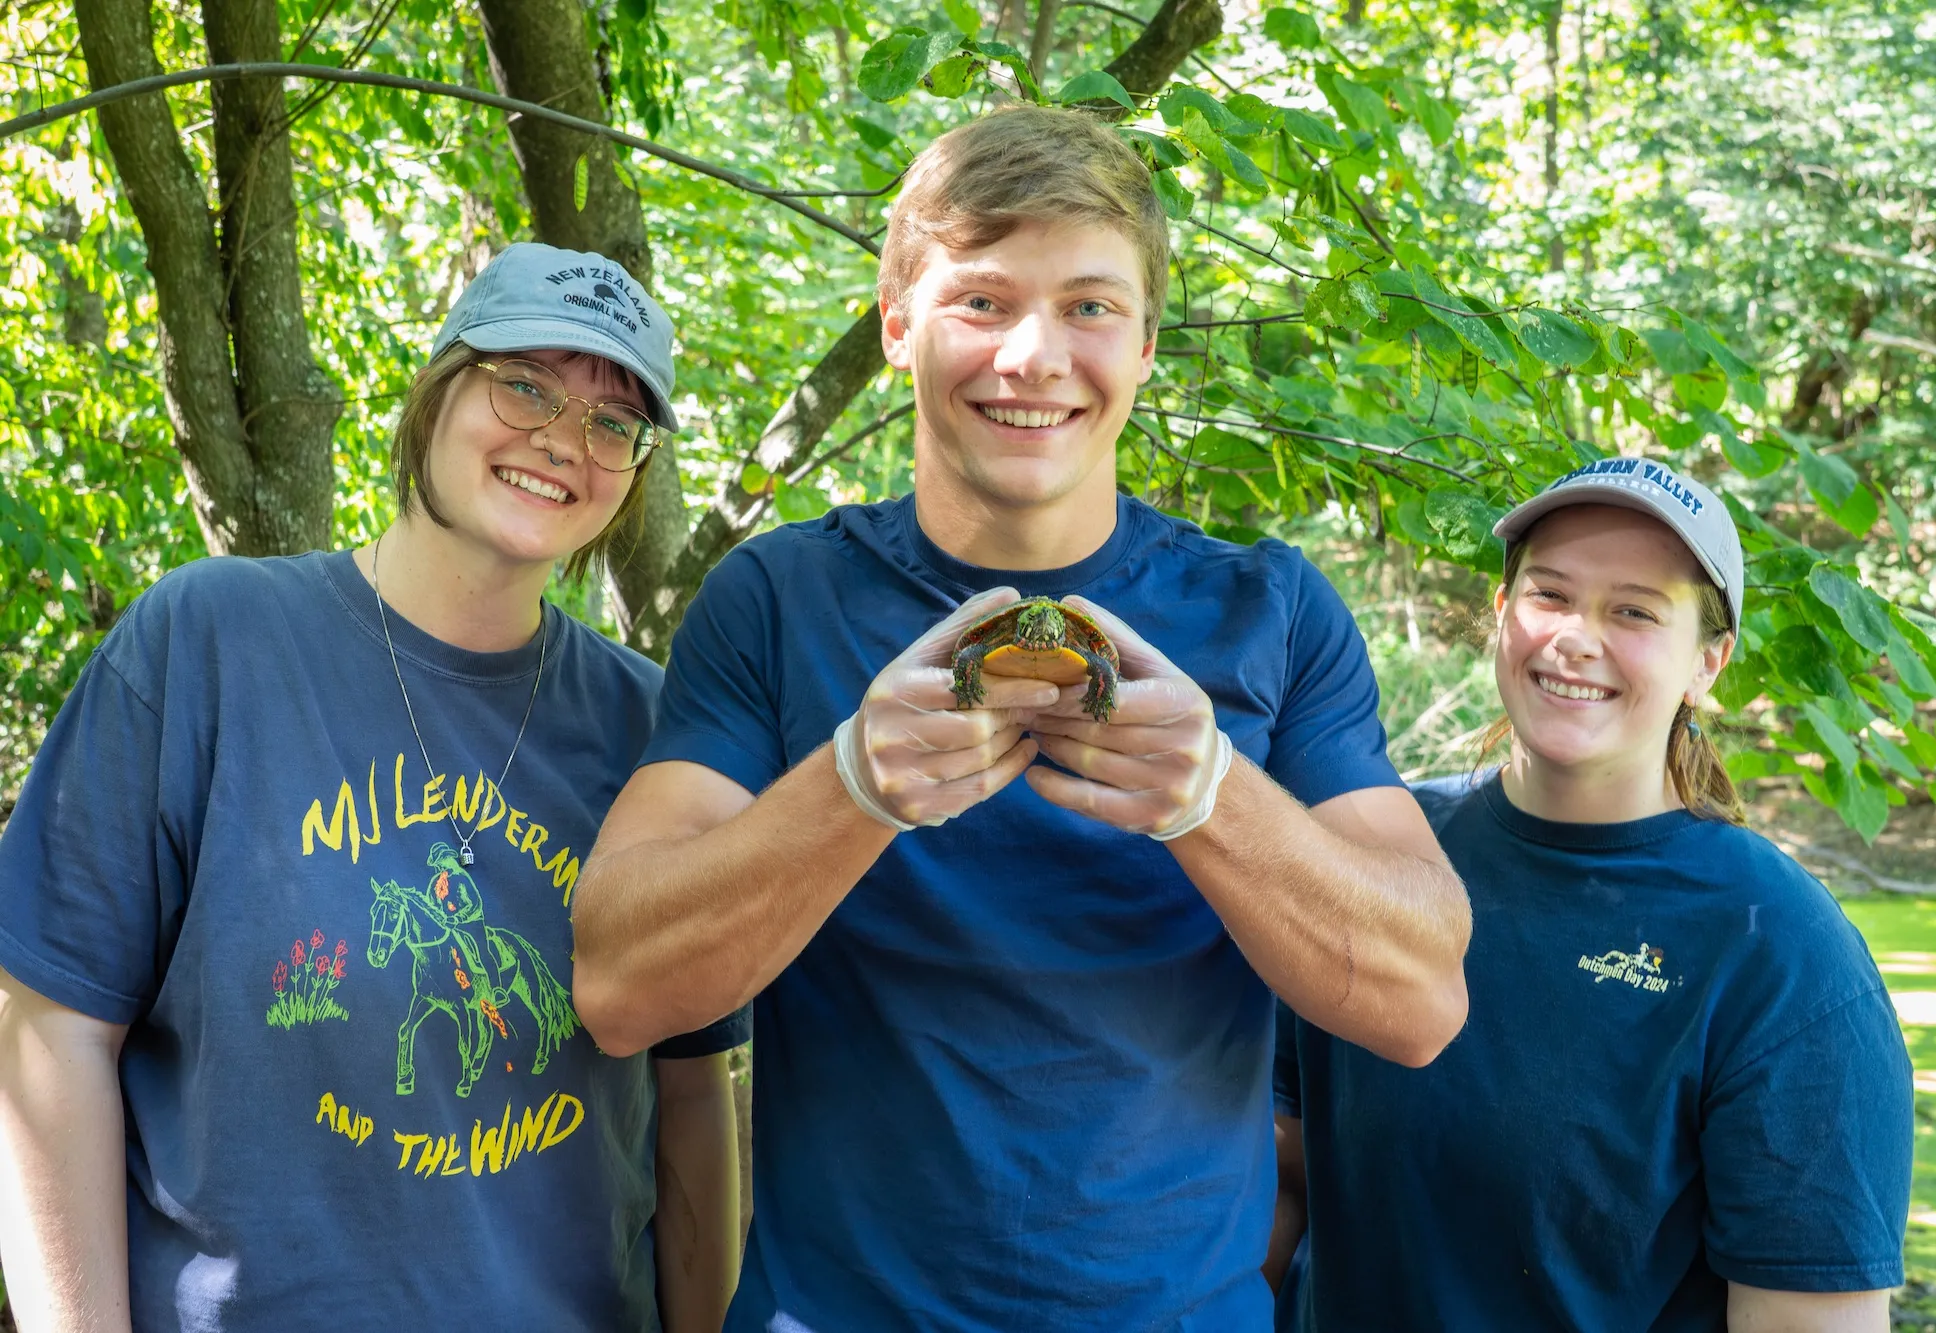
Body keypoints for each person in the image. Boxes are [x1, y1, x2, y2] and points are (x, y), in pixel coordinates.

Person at [569, 106, 1473, 1330]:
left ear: (1147, 342)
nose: (1032, 356)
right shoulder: (779, 600)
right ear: (898, 326)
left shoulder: (1269, 610)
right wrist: (851, 785)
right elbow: (620, 982)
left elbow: (1420, 1001)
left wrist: (1209, 796)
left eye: (1090, 306)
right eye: (982, 302)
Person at [0, 242, 749, 1332]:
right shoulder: (211, 639)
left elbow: (691, 1097)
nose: (560, 439)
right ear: (438, 389)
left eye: (612, 421)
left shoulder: (651, 724)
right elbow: (49, 1031)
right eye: (524, 384)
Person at [1270, 458, 1915, 1331]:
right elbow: (1274, 1192)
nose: (1577, 636)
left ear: (1708, 663)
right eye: (1551, 595)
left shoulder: (1779, 949)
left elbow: (1811, 1318)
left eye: (1635, 611)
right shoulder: (1376, 853)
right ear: (1501, 617)